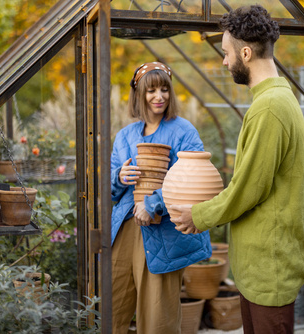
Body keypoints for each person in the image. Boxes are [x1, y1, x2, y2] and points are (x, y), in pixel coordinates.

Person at [170, 5, 304, 333]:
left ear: (245, 53)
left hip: (271, 269)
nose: (224, 61)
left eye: (226, 53)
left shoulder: (270, 108)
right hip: (261, 267)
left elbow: (248, 187)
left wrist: (199, 216)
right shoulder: (275, 99)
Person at [110, 61, 212, 334]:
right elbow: (109, 190)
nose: (159, 97)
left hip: (163, 232)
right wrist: (119, 177)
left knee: (158, 316)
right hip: (124, 229)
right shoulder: (124, 136)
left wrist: (152, 204)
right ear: (139, 94)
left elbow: (193, 179)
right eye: (151, 90)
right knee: (112, 306)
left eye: (164, 89)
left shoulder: (183, 131)